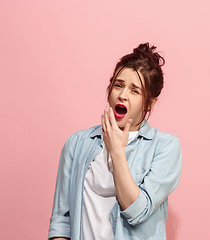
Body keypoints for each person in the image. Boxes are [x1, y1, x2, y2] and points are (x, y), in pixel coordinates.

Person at [48, 43, 182, 240]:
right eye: (118, 85)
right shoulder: (77, 143)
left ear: (150, 102)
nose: (122, 95)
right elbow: (62, 220)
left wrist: (117, 152)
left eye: (135, 91)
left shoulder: (165, 147)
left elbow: (137, 212)